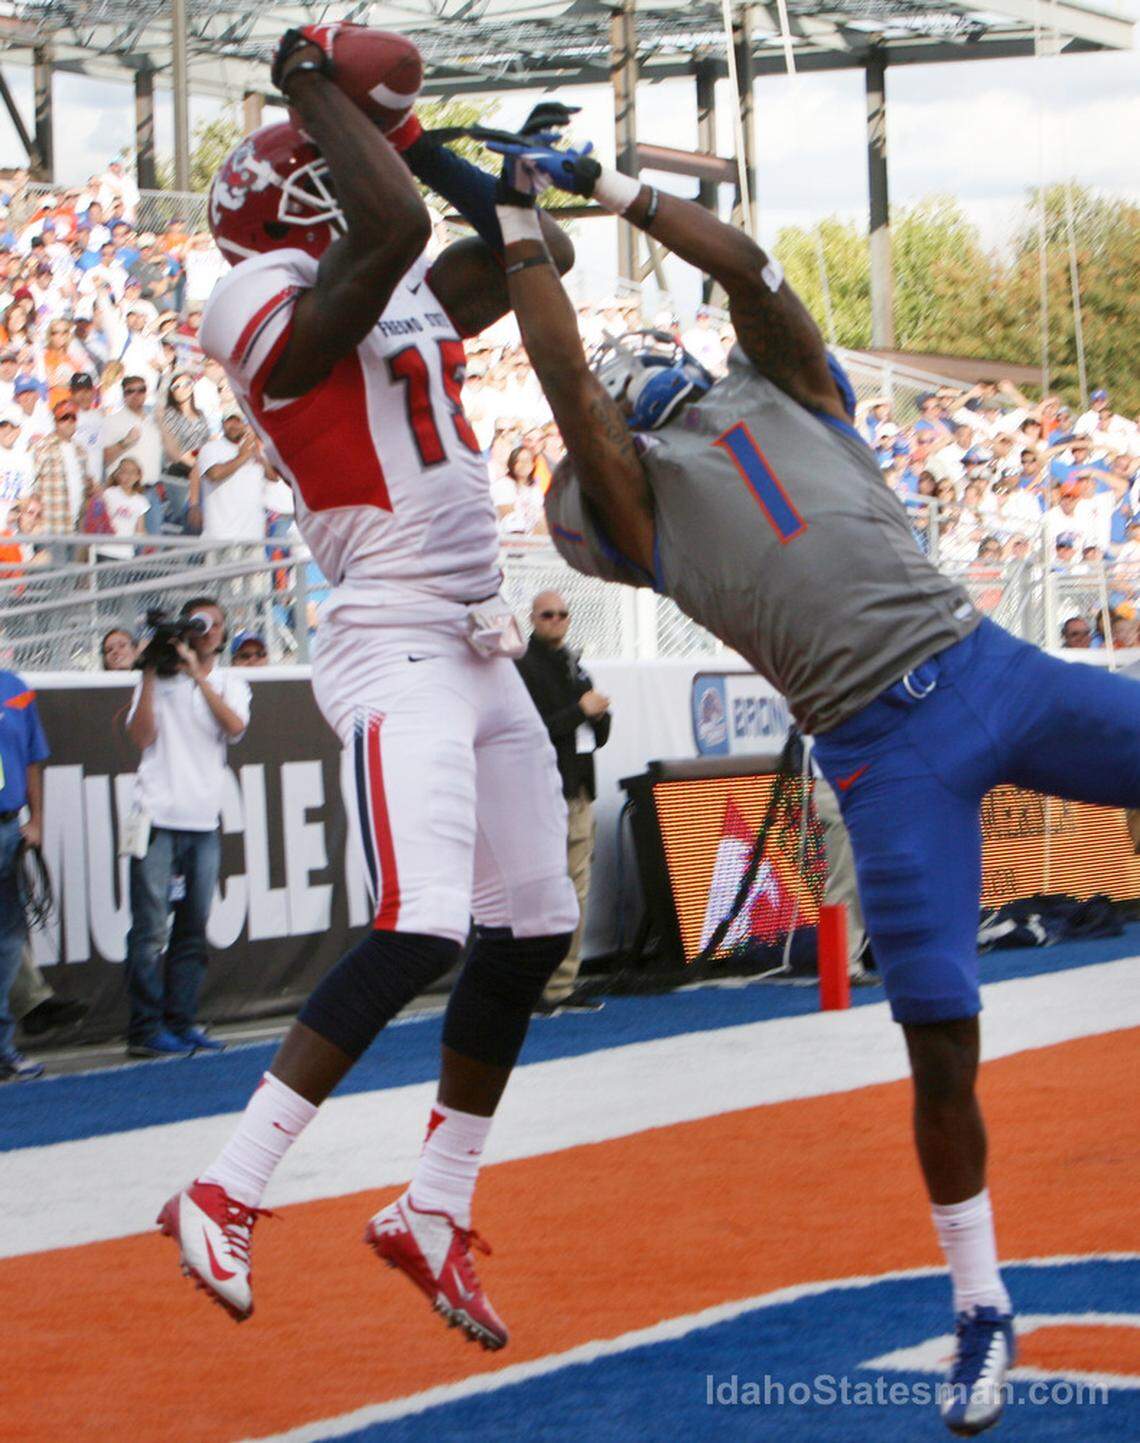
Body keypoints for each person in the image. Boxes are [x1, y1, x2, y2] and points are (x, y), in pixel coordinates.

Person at [486, 118, 1140, 1436]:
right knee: (940, 1039)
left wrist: (608, 187)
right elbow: (562, 377)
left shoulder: (780, 391)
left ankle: (979, 1298)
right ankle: (980, 1301)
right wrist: (513, 229)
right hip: (885, 750)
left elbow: (745, 266)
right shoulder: (641, 503)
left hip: (983, 667)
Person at [157, 30, 577, 1353]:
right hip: (393, 632)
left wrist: (483, 171)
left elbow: (532, 258)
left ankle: (433, 1205)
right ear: (291, 200)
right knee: (423, 924)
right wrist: (314, 84)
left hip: (475, 636)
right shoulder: (257, 296)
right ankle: (225, 1185)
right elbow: (387, 220)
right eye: (328, 165)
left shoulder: (389, 281)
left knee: (536, 922)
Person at [124, 597, 249, 1059]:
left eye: (215, 624)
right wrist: (149, 671)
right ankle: (145, 1028)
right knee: (150, 931)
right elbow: (141, 736)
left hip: (203, 821)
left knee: (192, 929)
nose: (208, 631)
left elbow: (234, 727)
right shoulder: (159, 679)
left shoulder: (231, 682)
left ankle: (181, 1020)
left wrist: (199, 677)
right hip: (155, 818)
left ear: (224, 633)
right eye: (200, 624)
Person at [515, 590, 610, 1010]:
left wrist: (599, 715)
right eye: (547, 615)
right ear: (532, 619)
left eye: (562, 614)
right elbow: (530, 731)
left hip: (579, 792)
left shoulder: (576, 666)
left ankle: (561, 984)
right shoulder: (522, 668)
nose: (556, 620)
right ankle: (535, 986)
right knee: (543, 894)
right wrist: (580, 711)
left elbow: (597, 737)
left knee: (576, 892)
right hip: (542, 795)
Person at [0, 665, 50, 1081]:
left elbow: (33, 759)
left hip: (8, 828)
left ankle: (2, 1047)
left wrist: (36, 820)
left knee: (9, 942)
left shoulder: (15, 688)